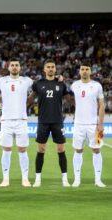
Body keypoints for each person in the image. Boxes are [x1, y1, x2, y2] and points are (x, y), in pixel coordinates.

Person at [29, 59, 70, 187]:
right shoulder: (38, 84)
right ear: (44, 69)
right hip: (43, 121)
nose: (51, 69)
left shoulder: (61, 84)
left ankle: (65, 179)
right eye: (49, 67)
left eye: (53, 66)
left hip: (58, 121)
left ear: (55, 69)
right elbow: (30, 99)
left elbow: (69, 99)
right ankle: (37, 179)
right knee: (41, 149)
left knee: (61, 149)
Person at [0, 58, 32, 187]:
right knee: (6, 150)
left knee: (22, 149)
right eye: (12, 65)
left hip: (21, 120)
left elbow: (40, 88)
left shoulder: (27, 81)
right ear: (8, 67)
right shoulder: (1, 81)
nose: (15, 67)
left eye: (17, 65)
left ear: (20, 68)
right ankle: (5, 179)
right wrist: (0, 101)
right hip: (6, 120)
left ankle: (25, 178)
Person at [71, 62, 106, 187]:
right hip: (78, 124)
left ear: (90, 71)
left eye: (87, 69)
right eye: (82, 69)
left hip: (93, 125)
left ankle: (98, 180)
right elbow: (70, 100)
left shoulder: (97, 86)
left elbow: (102, 105)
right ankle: (77, 179)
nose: (85, 71)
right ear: (79, 71)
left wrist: (100, 124)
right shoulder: (74, 85)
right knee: (78, 150)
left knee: (96, 150)